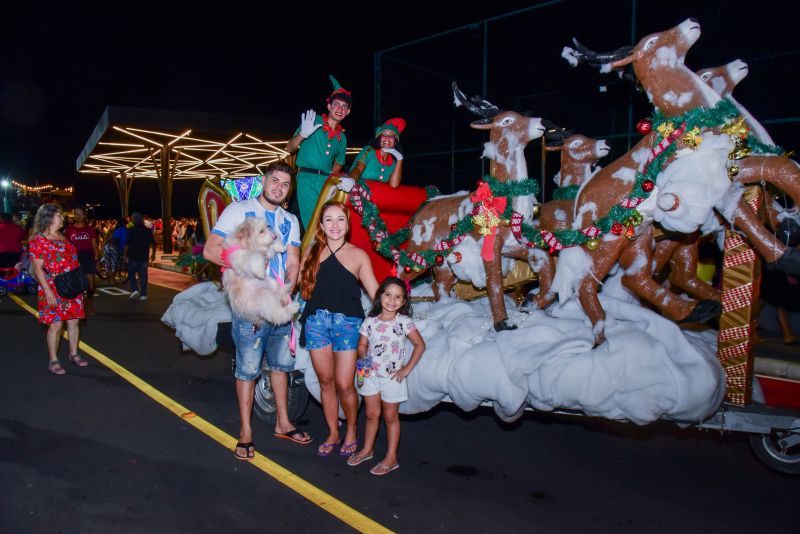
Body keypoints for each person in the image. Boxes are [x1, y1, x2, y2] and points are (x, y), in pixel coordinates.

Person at [203, 161, 311, 460]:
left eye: (285, 184)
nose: (279, 187)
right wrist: (246, 264)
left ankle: (283, 423)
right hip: (249, 304)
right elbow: (210, 250)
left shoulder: (290, 220)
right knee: (248, 369)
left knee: (281, 365)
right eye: (274, 181)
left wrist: (289, 286)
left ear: (290, 190)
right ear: (264, 181)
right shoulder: (239, 210)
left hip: (279, 302)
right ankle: (246, 432)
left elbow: (292, 259)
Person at [298, 200, 379, 457]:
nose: (334, 225)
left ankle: (352, 430)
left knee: (345, 384)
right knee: (325, 381)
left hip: (348, 324)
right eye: (329, 219)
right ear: (321, 225)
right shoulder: (312, 252)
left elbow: (376, 293)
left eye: (340, 219)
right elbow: (296, 285)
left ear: (347, 224)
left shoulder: (358, 255)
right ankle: (333, 432)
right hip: (316, 323)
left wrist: (393, 308)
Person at [346, 277, 425, 475]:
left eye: (398, 297)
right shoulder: (370, 322)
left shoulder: (404, 322)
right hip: (370, 376)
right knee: (372, 414)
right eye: (388, 294)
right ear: (380, 296)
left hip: (392, 379)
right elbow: (362, 345)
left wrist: (405, 369)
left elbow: (420, 345)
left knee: (390, 417)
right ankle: (367, 449)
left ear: (404, 302)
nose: (392, 300)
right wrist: (363, 360)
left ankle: (391, 457)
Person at [28, 203, 88, 375]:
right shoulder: (39, 240)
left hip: (71, 285)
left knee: (74, 321)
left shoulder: (62, 235)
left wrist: (80, 284)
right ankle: (53, 360)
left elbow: (73, 261)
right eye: (59, 215)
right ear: (49, 218)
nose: (63, 217)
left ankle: (74, 354)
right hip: (53, 287)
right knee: (55, 325)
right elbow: (38, 268)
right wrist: (47, 292)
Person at [286, 75, 352, 230]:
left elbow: (340, 163)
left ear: (348, 112)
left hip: (324, 183)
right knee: (307, 225)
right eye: (336, 104)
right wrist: (303, 134)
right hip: (305, 180)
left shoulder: (342, 137)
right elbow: (289, 148)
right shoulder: (314, 120)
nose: (339, 109)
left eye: (344, 107)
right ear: (329, 106)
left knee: (324, 222)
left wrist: (330, 176)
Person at [349, 118, 406, 188]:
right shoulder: (369, 150)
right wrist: (351, 181)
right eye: (384, 135)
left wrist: (400, 159)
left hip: (377, 196)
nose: (387, 138)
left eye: (391, 136)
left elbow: (394, 184)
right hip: (359, 191)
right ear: (379, 138)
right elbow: (358, 169)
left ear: (395, 141)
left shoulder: (393, 162)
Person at [64, 207, 99, 314]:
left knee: (90, 284)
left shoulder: (90, 229)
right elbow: (66, 245)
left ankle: (89, 304)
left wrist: (97, 260)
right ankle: (78, 306)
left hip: (88, 256)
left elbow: (95, 246)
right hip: (74, 257)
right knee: (76, 284)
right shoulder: (69, 229)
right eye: (76, 213)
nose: (78, 215)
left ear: (85, 216)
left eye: (81, 213)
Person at [124, 212, 156, 301]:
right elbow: (153, 243)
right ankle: (143, 294)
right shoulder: (147, 230)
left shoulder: (131, 230)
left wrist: (124, 255)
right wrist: (153, 254)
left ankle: (134, 289)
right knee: (143, 276)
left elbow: (127, 244)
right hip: (144, 256)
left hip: (133, 256)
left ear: (134, 220)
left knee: (131, 273)